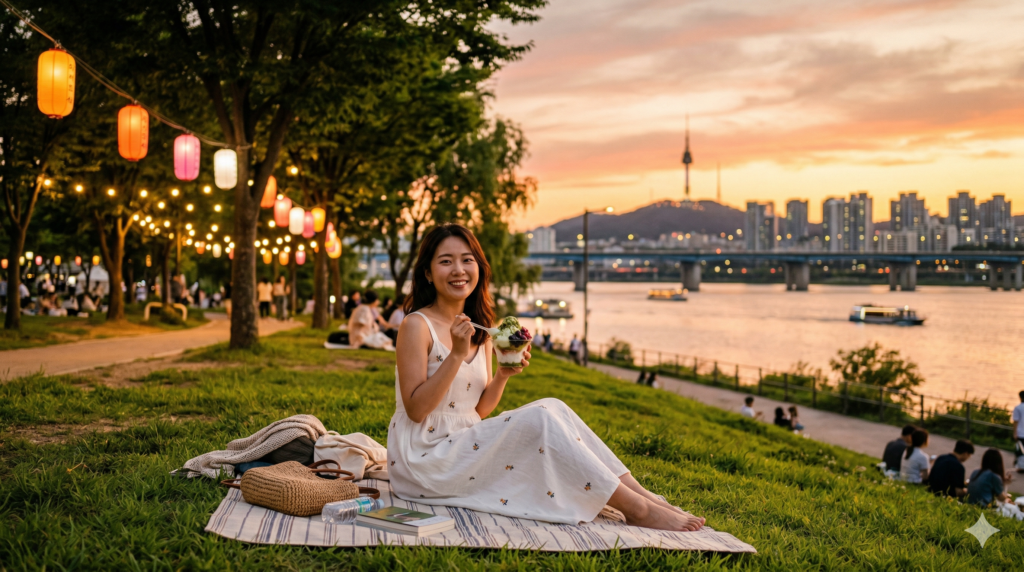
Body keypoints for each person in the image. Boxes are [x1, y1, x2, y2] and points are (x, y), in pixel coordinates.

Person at [389, 223, 704, 531]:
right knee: (539, 418)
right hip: (423, 458)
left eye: (467, 259)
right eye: (446, 261)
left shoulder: (481, 329)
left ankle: (642, 495)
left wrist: (502, 375)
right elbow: (416, 410)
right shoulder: (417, 325)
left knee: (554, 406)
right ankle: (637, 509)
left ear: (479, 268)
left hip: (461, 447)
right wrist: (456, 355)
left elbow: (476, 413)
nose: (458, 269)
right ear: (428, 273)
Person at [1014, 390, 1024, 473]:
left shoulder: (1018, 408)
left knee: (1020, 451)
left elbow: (1016, 421)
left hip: (1020, 432)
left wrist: (1014, 432)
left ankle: (1021, 467)